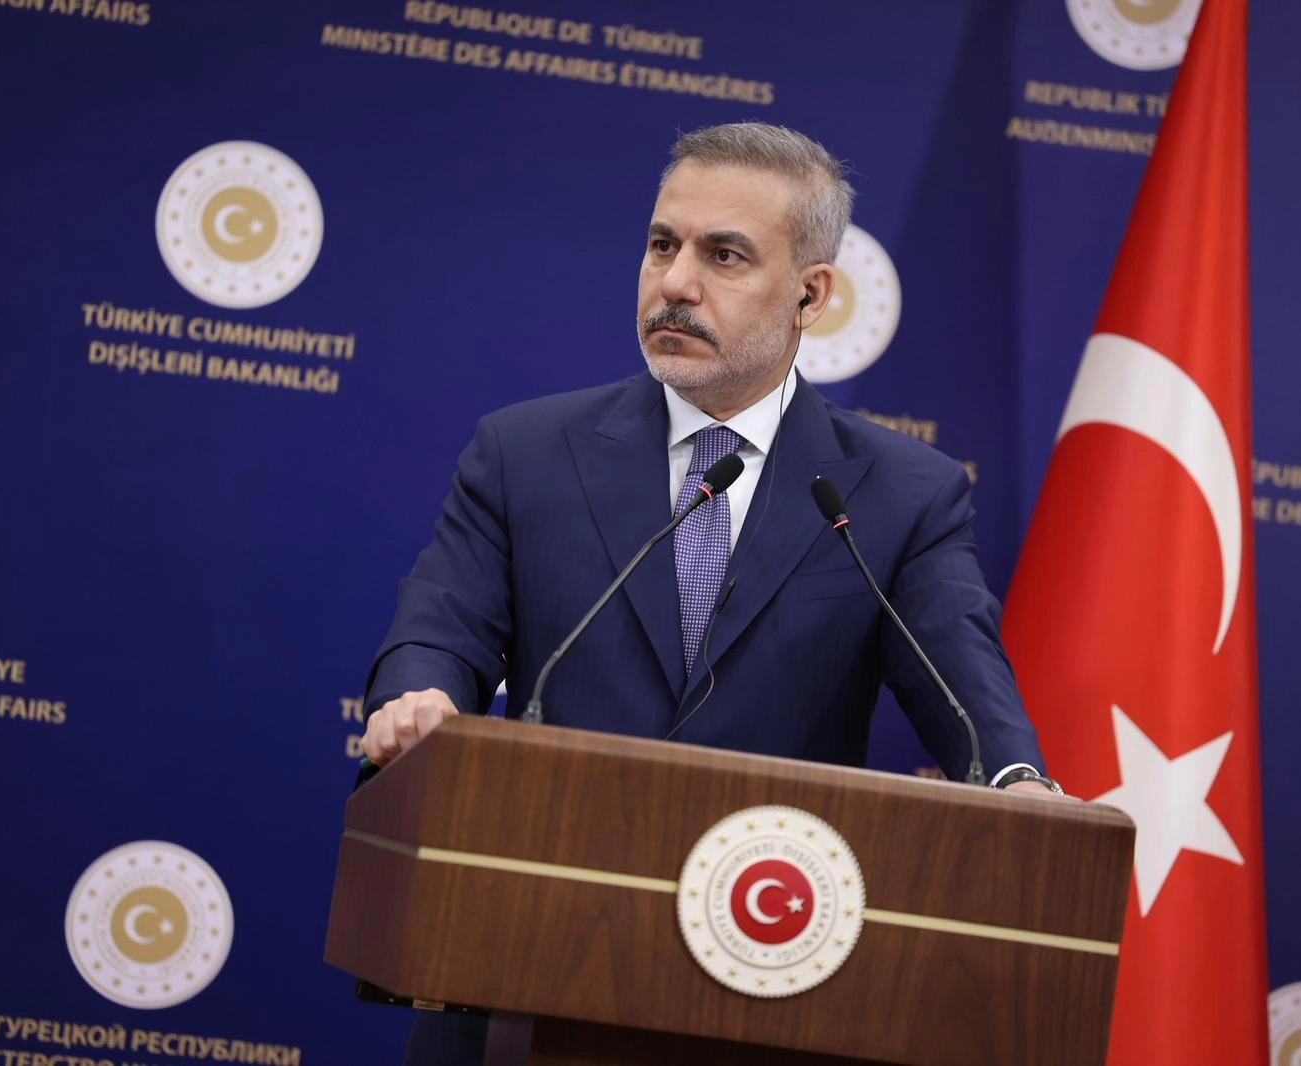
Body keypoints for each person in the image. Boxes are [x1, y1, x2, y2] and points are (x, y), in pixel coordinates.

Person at [358, 122, 1062, 1063]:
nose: (676, 283)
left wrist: (1018, 782)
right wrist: (422, 698)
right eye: (663, 245)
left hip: (762, 982)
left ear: (811, 293)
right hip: (521, 969)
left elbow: (966, 689)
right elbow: (440, 630)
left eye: (724, 255)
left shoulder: (899, 495)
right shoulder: (524, 454)